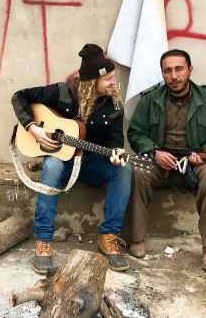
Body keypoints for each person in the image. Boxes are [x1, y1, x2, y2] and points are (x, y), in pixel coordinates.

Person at [11, 43, 133, 274]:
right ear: (91, 83)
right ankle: (44, 241)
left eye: (113, 77)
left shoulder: (114, 105)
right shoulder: (62, 92)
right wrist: (33, 128)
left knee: (124, 169)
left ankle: (108, 236)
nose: (113, 83)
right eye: (108, 79)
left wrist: (116, 153)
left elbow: (114, 142)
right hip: (64, 164)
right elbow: (19, 97)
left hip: (90, 164)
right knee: (53, 163)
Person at [125, 49, 206, 271]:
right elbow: (136, 133)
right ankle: (135, 237)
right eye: (168, 71)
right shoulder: (150, 99)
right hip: (158, 161)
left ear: (190, 70)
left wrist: (203, 153)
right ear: (162, 74)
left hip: (194, 164)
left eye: (179, 69)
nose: (174, 76)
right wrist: (154, 152)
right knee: (134, 168)